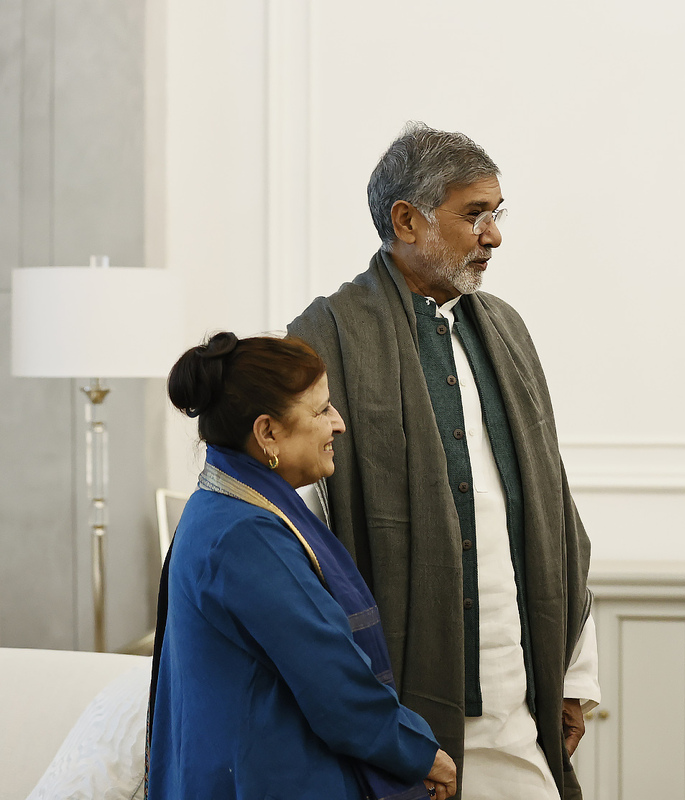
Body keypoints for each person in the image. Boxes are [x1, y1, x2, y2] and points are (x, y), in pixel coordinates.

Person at [288, 122, 597, 800]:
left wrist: (573, 676)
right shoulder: (322, 338)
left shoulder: (506, 330)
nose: (494, 236)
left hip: (519, 697)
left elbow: (554, 506)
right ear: (406, 220)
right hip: (395, 708)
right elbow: (302, 543)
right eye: (474, 214)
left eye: (497, 214)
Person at [148, 332, 457, 800]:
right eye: (321, 410)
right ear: (267, 432)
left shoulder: (219, 506)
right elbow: (333, 683)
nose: (339, 423)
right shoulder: (247, 533)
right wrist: (421, 754)